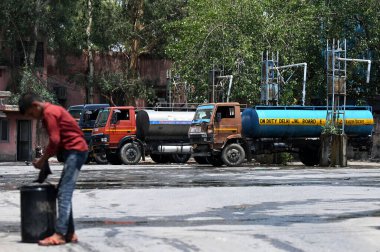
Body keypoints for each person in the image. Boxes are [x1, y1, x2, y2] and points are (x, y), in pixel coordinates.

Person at [18, 93, 88, 246]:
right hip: (75, 151)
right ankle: (69, 233)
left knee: (64, 193)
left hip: (76, 152)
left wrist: (42, 160)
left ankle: (60, 234)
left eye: (31, 113)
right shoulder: (53, 110)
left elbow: (55, 140)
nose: (33, 117)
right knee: (63, 192)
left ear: (36, 105)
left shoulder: (49, 113)